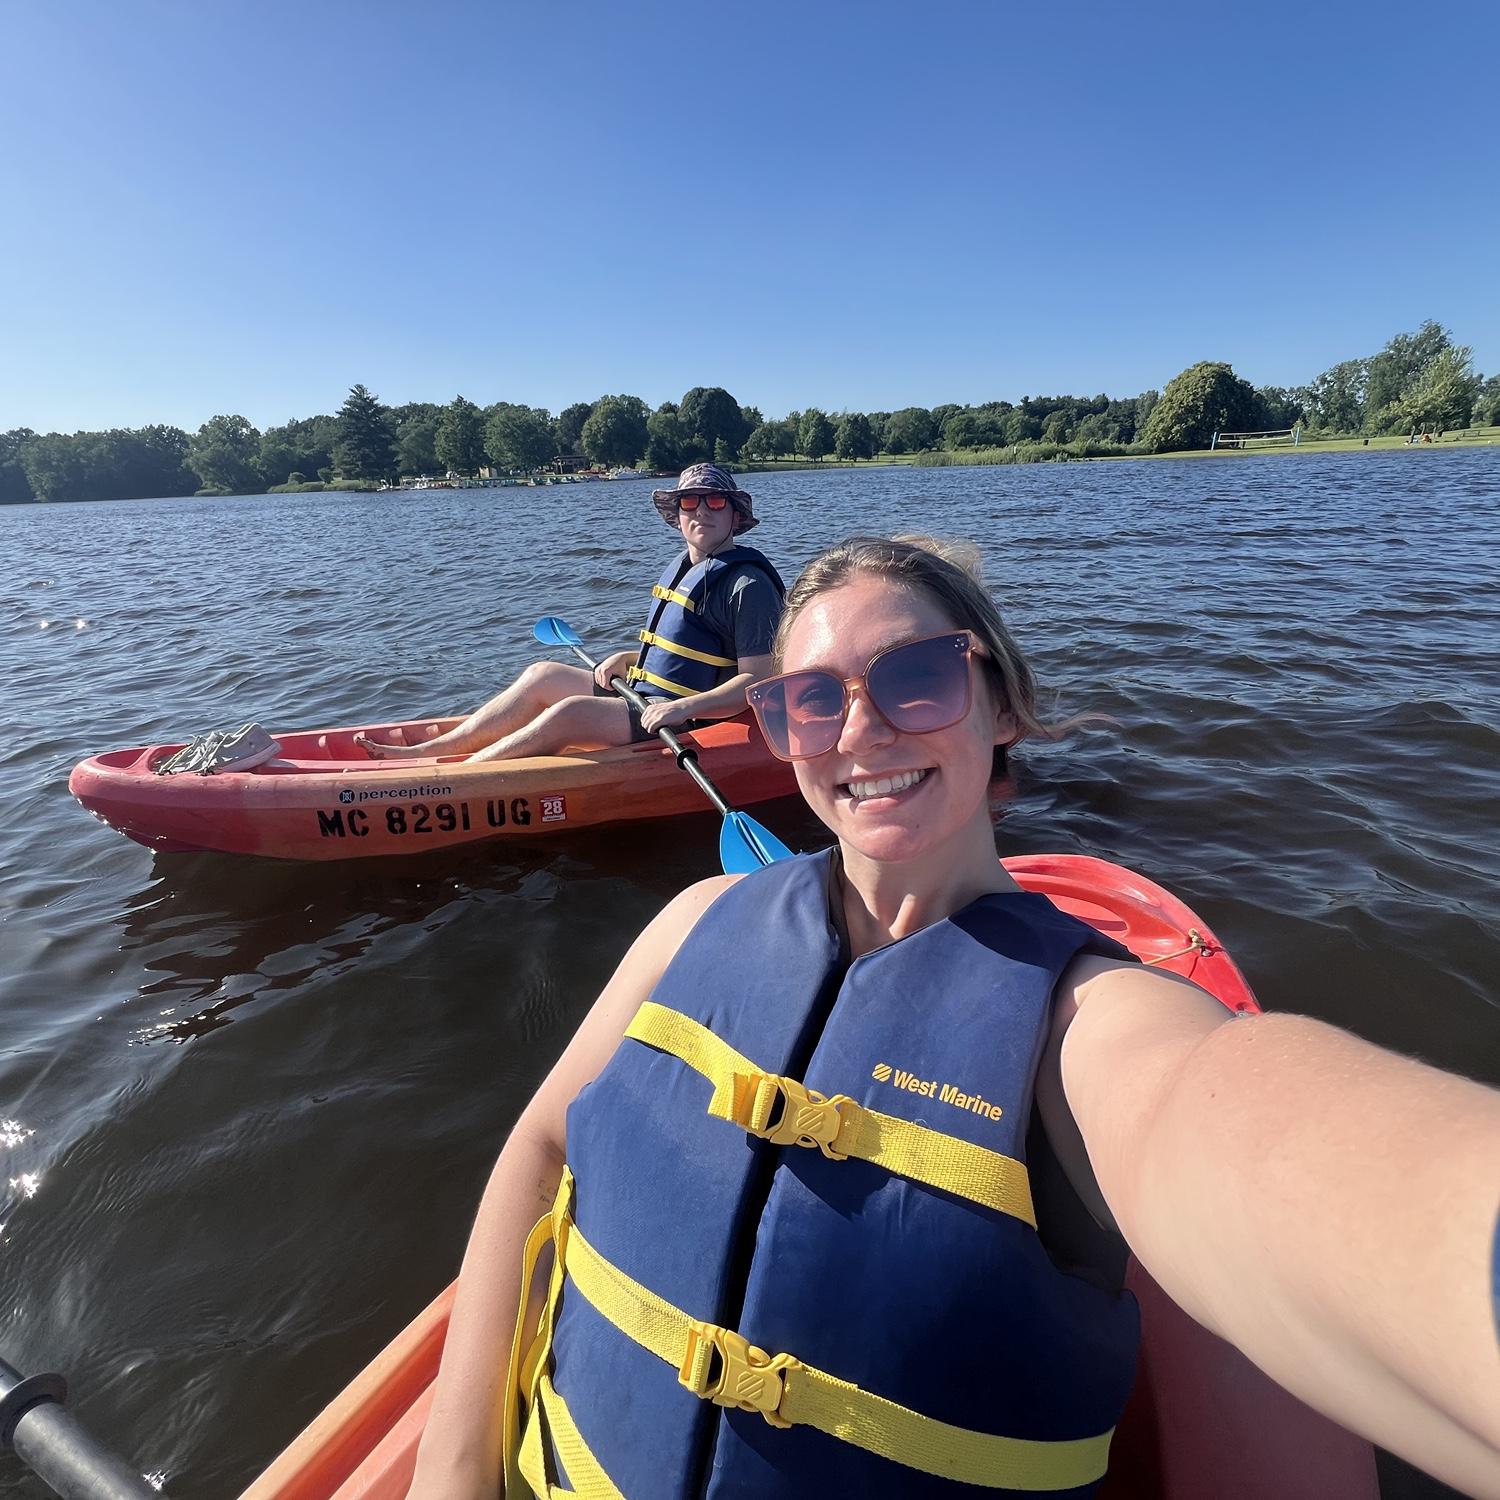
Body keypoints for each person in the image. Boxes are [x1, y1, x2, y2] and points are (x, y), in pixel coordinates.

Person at [404, 536, 1500, 1500]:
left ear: (1004, 704)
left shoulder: (1089, 1027)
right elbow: (544, 1143)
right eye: (812, 697)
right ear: (782, 728)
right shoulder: (697, 917)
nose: (863, 731)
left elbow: (1251, 1142)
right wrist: (452, 1473)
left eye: (917, 677)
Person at [356, 464, 785, 763]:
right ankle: (428, 753)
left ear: (734, 513)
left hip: (682, 715)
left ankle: (460, 778)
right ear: (678, 515)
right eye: (691, 501)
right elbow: (684, 653)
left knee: (570, 714)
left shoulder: (749, 586)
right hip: (641, 693)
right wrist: (629, 658)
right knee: (543, 672)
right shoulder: (683, 567)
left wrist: (680, 708)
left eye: (714, 500)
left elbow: (759, 681)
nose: (703, 510)